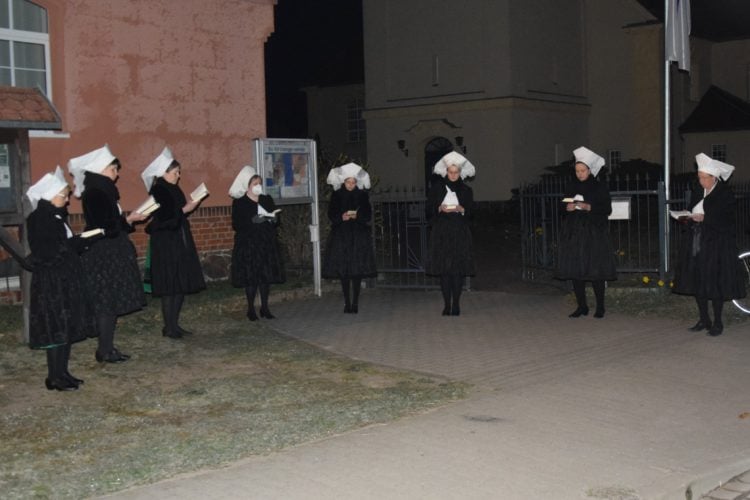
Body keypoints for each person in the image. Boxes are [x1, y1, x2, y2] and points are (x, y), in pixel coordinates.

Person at [68, 145, 147, 362]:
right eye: (114, 169)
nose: (117, 174)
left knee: (110, 303)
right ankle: (104, 350)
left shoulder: (102, 191)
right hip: (103, 253)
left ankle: (107, 348)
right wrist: (128, 220)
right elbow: (103, 225)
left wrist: (126, 221)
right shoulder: (95, 193)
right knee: (106, 302)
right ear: (102, 169)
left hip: (110, 250)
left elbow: (112, 224)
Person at [26, 167, 99, 390]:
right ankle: (53, 376)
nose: (67, 200)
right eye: (63, 195)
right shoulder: (40, 219)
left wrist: (79, 242)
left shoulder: (55, 217)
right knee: (55, 327)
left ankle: (63, 372)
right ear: (50, 195)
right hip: (51, 282)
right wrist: (76, 244)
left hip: (63, 279)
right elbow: (49, 251)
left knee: (65, 325)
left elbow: (62, 246)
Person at [672, 153, 746, 336]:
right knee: (698, 281)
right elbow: (693, 209)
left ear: (715, 178)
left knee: (715, 282)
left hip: (716, 244)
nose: (702, 181)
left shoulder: (724, 194)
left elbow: (727, 219)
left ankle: (718, 322)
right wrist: (686, 218)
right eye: (699, 177)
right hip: (697, 240)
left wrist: (706, 218)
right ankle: (704, 319)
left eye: (705, 178)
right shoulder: (698, 191)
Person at [141, 146, 206, 339]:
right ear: (164, 173)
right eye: (176, 172)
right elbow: (165, 218)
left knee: (179, 284)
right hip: (166, 242)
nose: (179, 176)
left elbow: (176, 213)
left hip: (178, 239)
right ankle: (168, 327)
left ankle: (174, 325)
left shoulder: (172, 188)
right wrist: (185, 210)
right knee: (170, 286)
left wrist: (186, 208)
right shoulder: (160, 190)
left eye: (179, 172)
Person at [556, 146, 616, 318]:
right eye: (577, 171)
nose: (579, 174)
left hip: (593, 232)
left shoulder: (599, 187)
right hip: (574, 232)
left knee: (595, 270)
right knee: (576, 271)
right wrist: (566, 208)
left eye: (582, 170)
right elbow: (562, 206)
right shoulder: (571, 186)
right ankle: (582, 306)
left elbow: (607, 209)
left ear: (590, 170)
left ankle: (600, 307)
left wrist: (589, 207)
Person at [229, 166, 285, 321]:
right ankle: (250, 308)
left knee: (265, 277)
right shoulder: (240, 203)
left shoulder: (266, 199)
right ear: (247, 186)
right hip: (249, 244)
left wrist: (273, 219)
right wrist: (253, 221)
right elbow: (236, 224)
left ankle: (265, 307)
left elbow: (275, 217)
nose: (258, 186)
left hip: (265, 242)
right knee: (251, 277)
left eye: (259, 182)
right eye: (255, 183)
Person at [426, 151, 476, 316]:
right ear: (446, 172)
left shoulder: (466, 190)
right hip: (442, 232)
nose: (453, 175)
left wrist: (462, 209)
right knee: (445, 271)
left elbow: (471, 213)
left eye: (456, 172)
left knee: (457, 270)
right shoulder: (437, 189)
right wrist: (438, 208)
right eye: (450, 172)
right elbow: (428, 210)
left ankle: (456, 304)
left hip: (459, 232)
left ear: (460, 173)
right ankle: (446, 304)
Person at [322, 162, 377, 313]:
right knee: (344, 271)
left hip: (358, 236)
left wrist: (357, 216)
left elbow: (367, 215)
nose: (351, 185)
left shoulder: (362, 195)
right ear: (343, 182)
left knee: (357, 271)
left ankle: (356, 303)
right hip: (342, 236)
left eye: (353, 182)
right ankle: (347, 302)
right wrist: (341, 217)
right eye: (348, 182)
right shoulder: (337, 195)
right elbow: (331, 214)